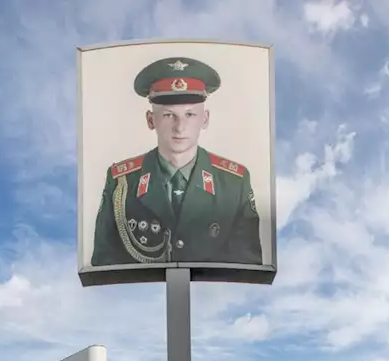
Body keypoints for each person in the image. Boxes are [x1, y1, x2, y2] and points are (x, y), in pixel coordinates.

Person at [91, 56, 263, 268]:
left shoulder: (234, 183)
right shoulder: (121, 182)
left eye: (190, 114)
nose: (180, 127)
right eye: (168, 115)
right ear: (150, 120)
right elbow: (104, 265)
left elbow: (247, 269)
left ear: (205, 119)